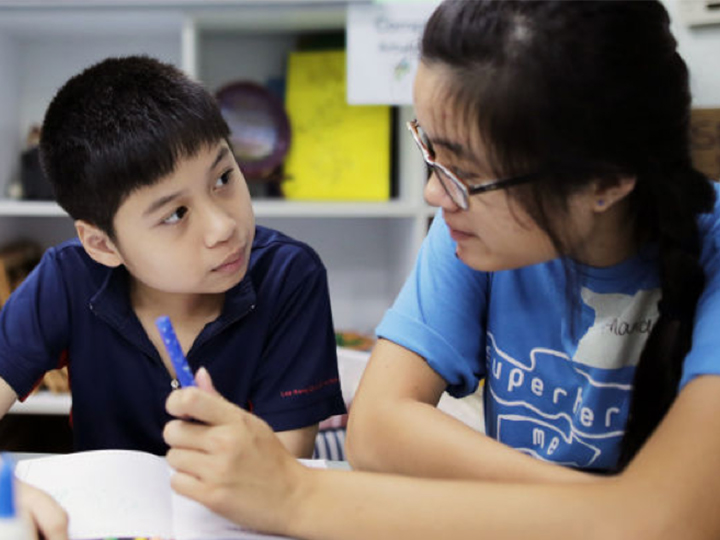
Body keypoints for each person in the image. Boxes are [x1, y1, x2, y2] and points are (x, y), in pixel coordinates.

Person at [162, 1, 720, 538]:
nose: (435, 192)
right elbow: (378, 431)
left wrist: (295, 496)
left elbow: (674, 522)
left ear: (605, 182)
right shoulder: (478, 229)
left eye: (464, 171)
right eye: (429, 150)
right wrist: (615, 507)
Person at [0, 56, 345, 449]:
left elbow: (285, 469)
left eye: (223, 178)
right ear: (103, 244)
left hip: (238, 507)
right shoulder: (67, 279)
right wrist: (18, 495)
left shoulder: (288, 277)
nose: (223, 227)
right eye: (175, 214)